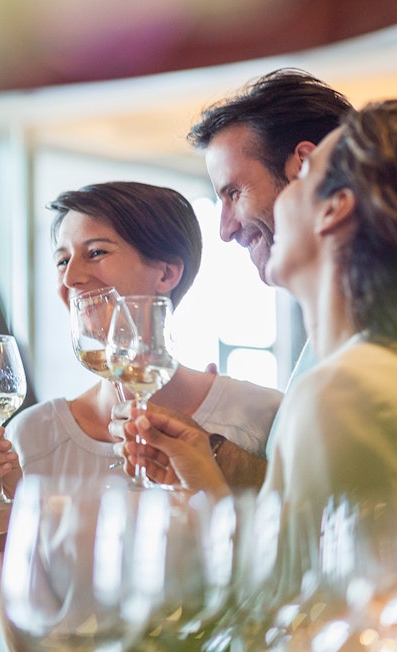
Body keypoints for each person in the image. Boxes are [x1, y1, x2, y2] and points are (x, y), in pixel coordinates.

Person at [0, 181, 283, 651]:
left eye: (95, 252)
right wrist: (0, 511)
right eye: (62, 259)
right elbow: (23, 642)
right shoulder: (31, 435)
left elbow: (281, 596)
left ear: (168, 272)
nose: (71, 278)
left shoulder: (260, 416)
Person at [120, 98, 397, 566]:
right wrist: (200, 465)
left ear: (334, 209)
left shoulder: (343, 388)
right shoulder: (342, 370)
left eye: (306, 175)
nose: (225, 231)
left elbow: (298, 600)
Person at [113, 68, 353, 485]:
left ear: (305, 166)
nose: (224, 230)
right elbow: (312, 497)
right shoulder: (330, 328)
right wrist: (206, 454)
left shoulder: (375, 328)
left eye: (233, 193)